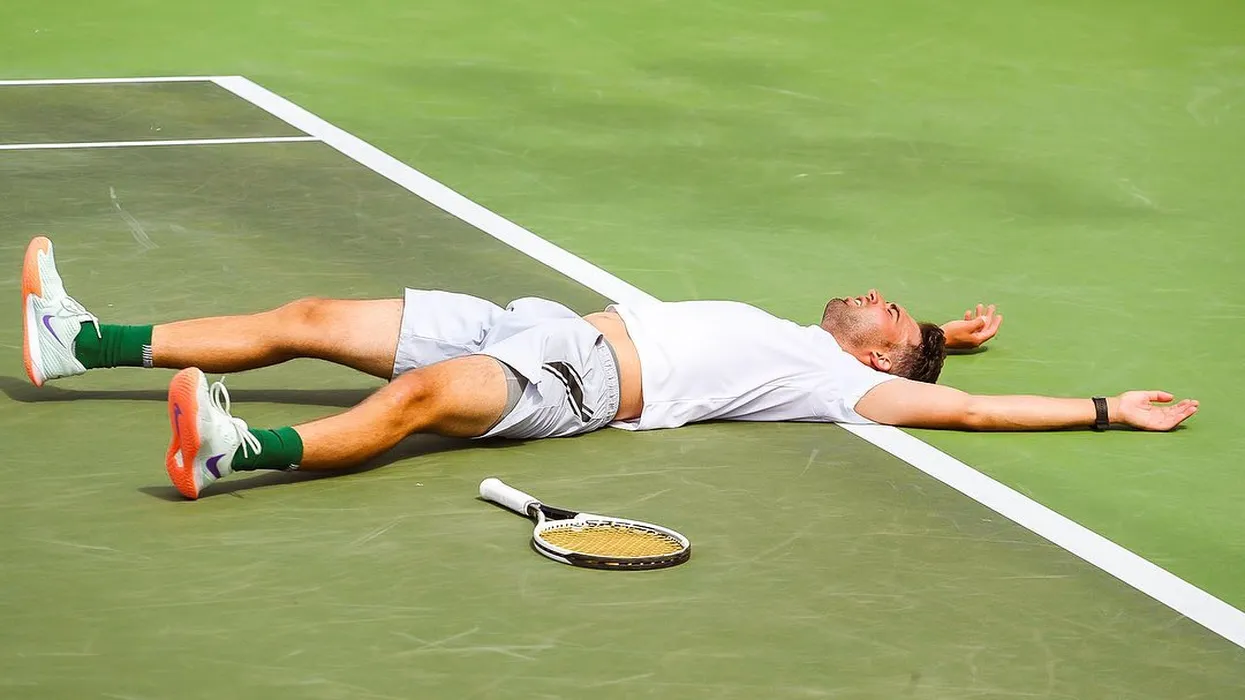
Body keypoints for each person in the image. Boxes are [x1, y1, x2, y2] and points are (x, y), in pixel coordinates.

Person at [21, 236, 1198, 499]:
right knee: (312, 315)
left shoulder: (838, 380)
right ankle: (84, 342)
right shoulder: (829, 339)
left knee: (418, 403)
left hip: (578, 381)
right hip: (532, 320)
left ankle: (239, 451)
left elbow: (972, 410)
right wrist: (949, 328)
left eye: (893, 311)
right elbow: (941, 354)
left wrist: (1105, 407)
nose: (881, 294)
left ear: (883, 354)